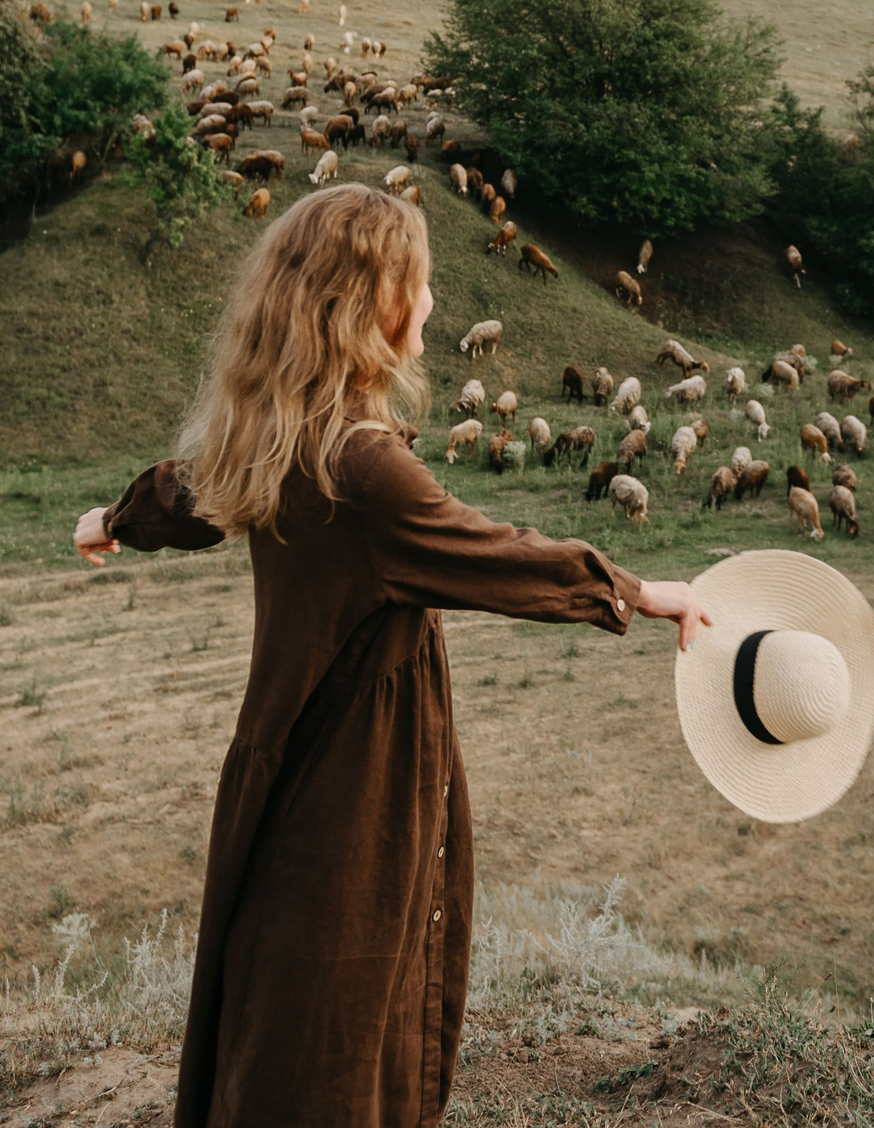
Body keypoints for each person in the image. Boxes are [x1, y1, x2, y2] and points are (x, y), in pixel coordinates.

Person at [71, 183, 706, 1128]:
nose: (437, 303)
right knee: (341, 1015)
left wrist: (114, 517)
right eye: (424, 283)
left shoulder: (281, 428)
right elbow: (487, 552)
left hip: (285, 765)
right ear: (373, 306)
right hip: (353, 787)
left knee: (278, 996)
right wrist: (640, 592)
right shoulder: (364, 466)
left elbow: (190, 490)